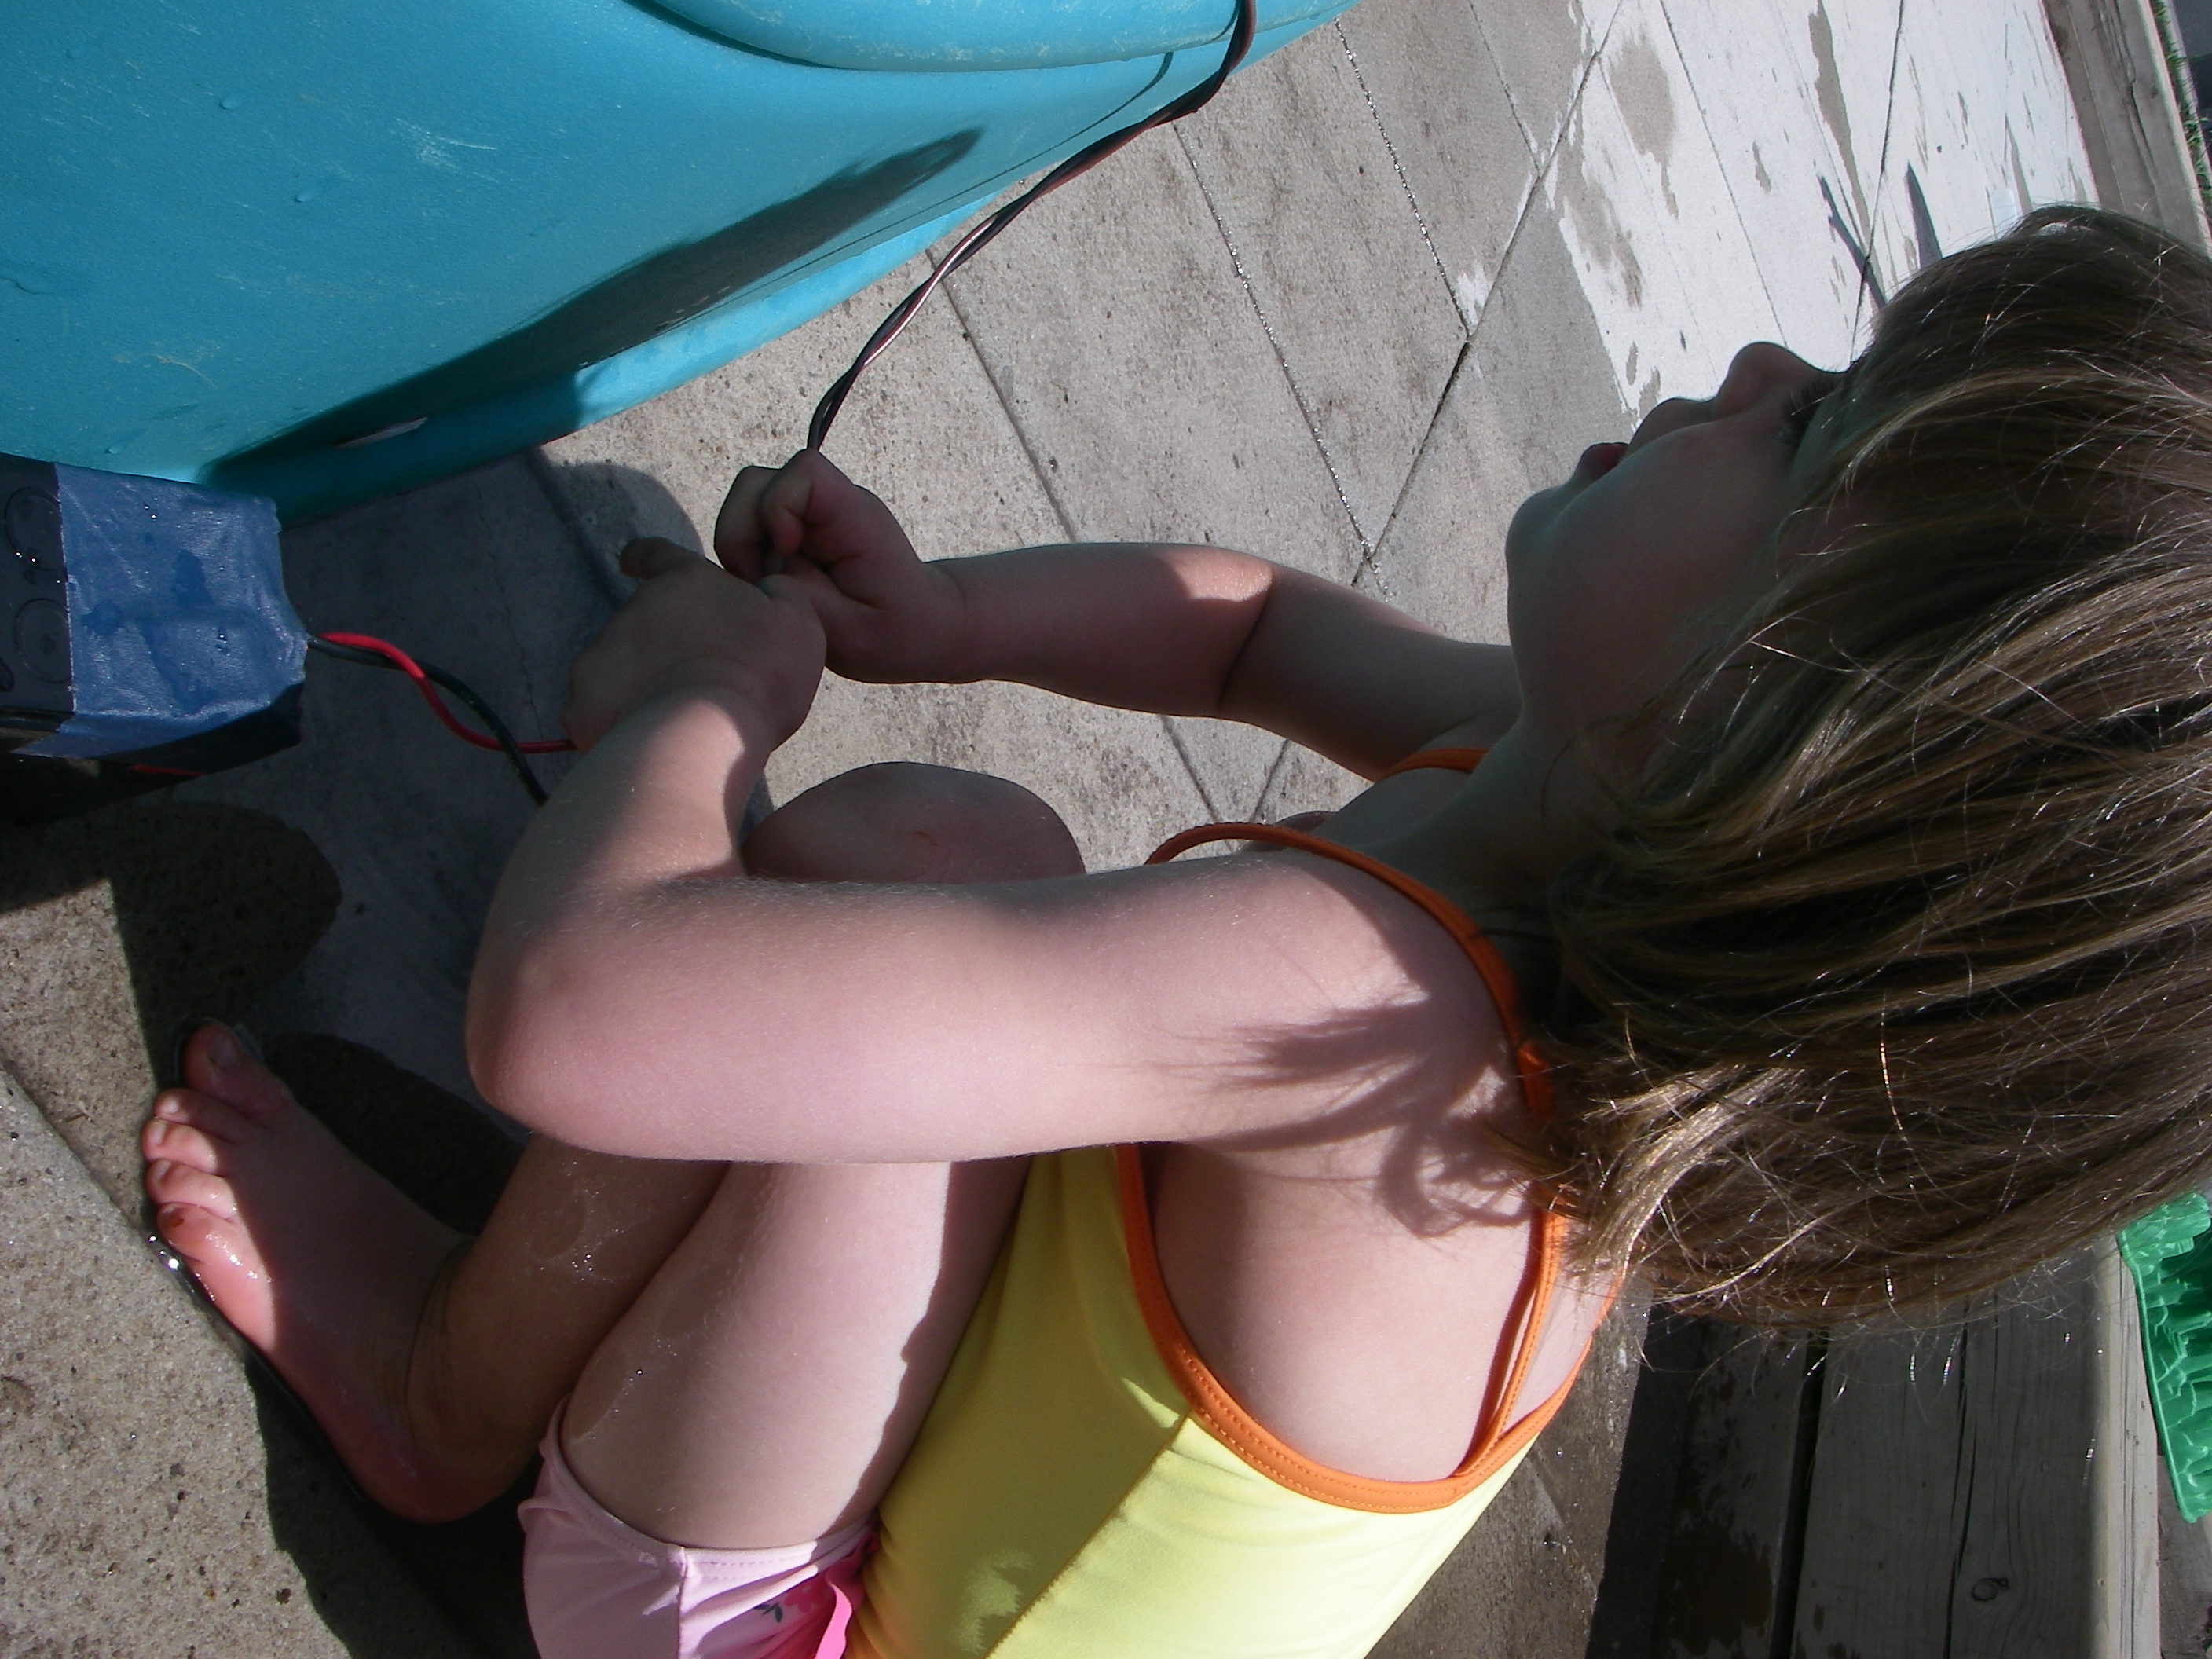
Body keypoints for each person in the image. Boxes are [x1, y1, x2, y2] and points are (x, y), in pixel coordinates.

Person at [139, 207, 2212, 1657]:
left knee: (919, 856)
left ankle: (445, 1390)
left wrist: (692, 703)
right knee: (947, 851)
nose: (1753, 363)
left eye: (1813, 421)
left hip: (762, 1638)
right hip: (904, 1511)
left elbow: (579, 1010)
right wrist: (943, 615)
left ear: (1775, 732)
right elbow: (1256, 630)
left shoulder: (1388, 1027)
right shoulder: (1575, 799)